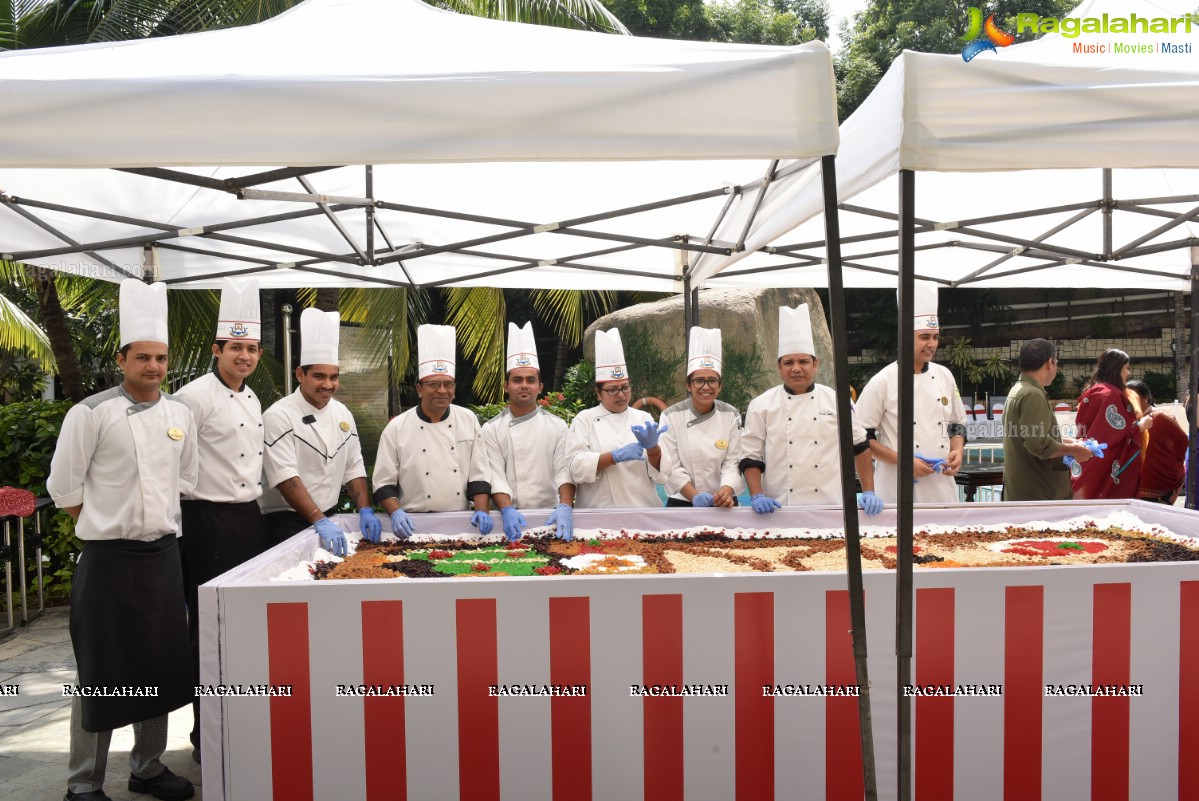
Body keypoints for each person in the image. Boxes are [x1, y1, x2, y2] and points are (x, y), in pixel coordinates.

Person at [47, 279, 197, 801]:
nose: (153, 367)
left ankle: (148, 767)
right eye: (143, 357)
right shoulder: (89, 413)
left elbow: (186, 480)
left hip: (162, 559)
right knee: (102, 673)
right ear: (122, 358)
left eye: (160, 358)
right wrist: (106, 524)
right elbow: (64, 487)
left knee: (156, 666)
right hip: (109, 561)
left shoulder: (181, 414)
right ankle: (82, 783)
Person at [174, 278, 267, 763]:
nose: (245, 356)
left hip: (247, 519)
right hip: (206, 520)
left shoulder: (252, 399)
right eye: (236, 348)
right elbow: (179, 469)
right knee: (208, 629)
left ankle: (239, 719)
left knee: (243, 626)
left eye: (251, 348)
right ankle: (202, 733)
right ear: (216, 349)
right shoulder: (193, 398)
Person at [739, 304, 883, 515]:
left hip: (831, 507)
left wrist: (869, 491)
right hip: (778, 509)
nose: (796, 368)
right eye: (788, 362)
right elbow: (751, 456)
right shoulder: (761, 405)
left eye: (803, 361)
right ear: (779, 367)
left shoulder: (838, 401)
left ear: (816, 364)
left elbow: (859, 447)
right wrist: (756, 494)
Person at [259, 308, 381, 554]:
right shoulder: (278, 415)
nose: (328, 385)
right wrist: (318, 519)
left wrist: (365, 509)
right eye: (319, 376)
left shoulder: (342, 413)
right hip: (286, 522)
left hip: (330, 517)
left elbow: (354, 466)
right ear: (300, 374)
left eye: (334, 377)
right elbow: (286, 478)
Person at [373, 324, 493, 537]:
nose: (442, 391)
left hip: (461, 524)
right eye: (433, 384)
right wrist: (396, 514)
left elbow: (479, 473)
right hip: (412, 524)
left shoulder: (467, 419)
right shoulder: (397, 428)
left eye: (448, 384)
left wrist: (482, 510)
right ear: (419, 389)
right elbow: (383, 484)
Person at [856, 281, 967, 504]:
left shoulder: (945, 375)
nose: (931, 344)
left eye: (935, 337)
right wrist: (904, 461)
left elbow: (957, 424)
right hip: (897, 486)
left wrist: (958, 450)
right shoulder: (883, 381)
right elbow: (861, 439)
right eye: (924, 337)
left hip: (940, 485)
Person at [481, 322, 576, 540]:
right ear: (506, 386)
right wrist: (506, 509)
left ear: (540, 387)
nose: (524, 385)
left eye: (531, 380)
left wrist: (565, 507)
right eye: (517, 380)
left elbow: (564, 471)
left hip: (550, 517)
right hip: (506, 520)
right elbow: (495, 475)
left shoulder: (557, 426)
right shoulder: (491, 429)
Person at [566, 328, 671, 507]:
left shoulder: (643, 418)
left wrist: (654, 449)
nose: (621, 395)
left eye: (625, 387)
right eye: (612, 390)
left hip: (642, 511)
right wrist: (614, 456)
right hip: (598, 513)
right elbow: (575, 468)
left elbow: (663, 475)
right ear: (599, 393)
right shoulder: (585, 419)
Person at [659, 326, 744, 507]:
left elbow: (733, 461)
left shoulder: (731, 414)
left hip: (724, 501)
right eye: (699, 380)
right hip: (682, 501)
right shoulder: (670, 416)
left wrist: (726, 491)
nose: (706, 387)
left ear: (720, 385)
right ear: (688, 385)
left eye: (712, 380)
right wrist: (694, 495)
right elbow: (670, 465)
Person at [1001, 339, 1094, 501]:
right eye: (1056, 362)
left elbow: (1031, 436)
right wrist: (1074, 451)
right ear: (1050, 363)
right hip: (1037, 493)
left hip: (1027, 491)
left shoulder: (1019, 390)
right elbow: (1039, 445)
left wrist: (1067, 442)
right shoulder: (1032, 395)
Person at [1071, 349, 1152, 500]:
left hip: (1088, 461)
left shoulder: (1094, 391)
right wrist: (1141, 425)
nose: (1128, 373)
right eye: (1126, 367)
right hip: (1105, 463)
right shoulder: (1111, 395)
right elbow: (1110, 433)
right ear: (1117, 368)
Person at [1127, 380, 1188, 504]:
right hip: (1139, 484)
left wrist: (1171, 464)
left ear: (1145, 398)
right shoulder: (1129, 421)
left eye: (1133, 397)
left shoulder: (1160, 417)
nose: (1129, 401)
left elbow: (1181, 442)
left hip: (1162, 481)